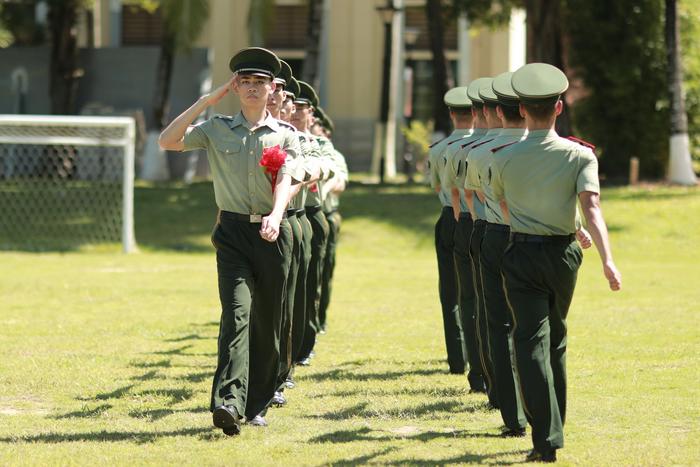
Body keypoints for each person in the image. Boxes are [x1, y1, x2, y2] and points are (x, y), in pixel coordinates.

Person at [158, 47, 301, 435]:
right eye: (246, 83)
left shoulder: (286, 135)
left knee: (268, 321)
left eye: (260, 83)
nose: (254, 89)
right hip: (234, 234)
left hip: (273, 233)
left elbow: (287, 178)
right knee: (236, 315)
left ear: (273, 88)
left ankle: (256, 403)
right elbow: (167, 141)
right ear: (236, 87)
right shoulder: (217, 127)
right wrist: (206, 101)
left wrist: (275, 214)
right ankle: (227, 402)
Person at [490, 63, 622, 462]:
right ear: (559, 108)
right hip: (564, 254)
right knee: (556, 338)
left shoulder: (503, 158)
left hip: (521, 252)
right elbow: (592, 209)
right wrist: (607, 260)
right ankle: (554, 423)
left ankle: (545, 438)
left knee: (529, 339)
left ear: (522, 110)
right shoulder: (580, 156)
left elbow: (504, 206)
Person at [465, 71, 528, 436]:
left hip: (494, 232)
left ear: (499, 113)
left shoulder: (482, 152)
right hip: (537, 238)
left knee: (498, 323)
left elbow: (471, 196)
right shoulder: (560, 148)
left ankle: (508, 406)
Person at [427, 88, 468, 374]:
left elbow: (438, 187)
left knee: (450, 290)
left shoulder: (439, 149)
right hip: (481, 220)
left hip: (449, 218)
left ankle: (457, 358)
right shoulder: (488, 145)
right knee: (477, 290)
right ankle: (479, 354)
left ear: (452, 114)